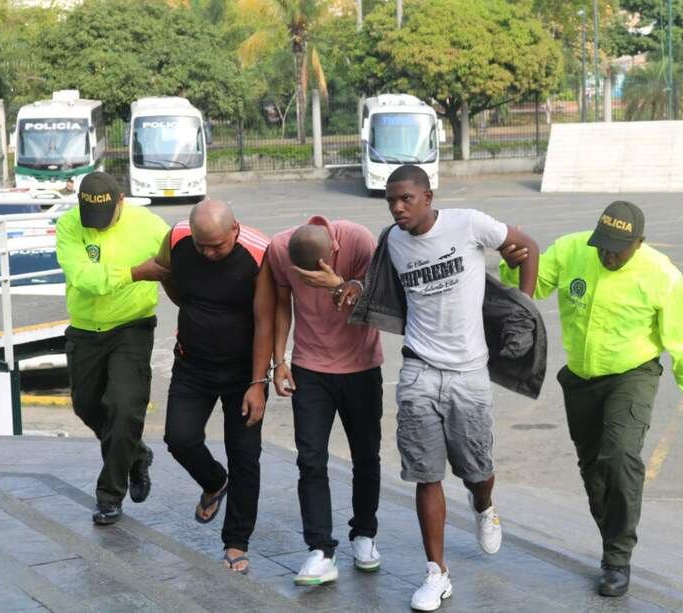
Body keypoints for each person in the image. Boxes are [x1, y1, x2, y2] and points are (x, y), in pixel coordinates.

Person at [500, 201, 683, 597]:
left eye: (617, 249)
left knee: (619, 458)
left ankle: (617, 557)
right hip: (581, 380)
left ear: (639, 242)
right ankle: (612, 538)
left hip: (632, 375)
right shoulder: (572, 249)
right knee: (594, 469)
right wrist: (513, 264)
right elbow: (535, 285)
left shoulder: (661, 275)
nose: (607, 255)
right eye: (603, 245)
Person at [366, 165, 540, 612]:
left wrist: (523, 309)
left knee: (476, 470)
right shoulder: (392, 240)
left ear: (427, 197)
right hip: (418, 370)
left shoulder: (470, 224)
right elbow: (375, 286)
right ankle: (436, 573)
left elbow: (528, 248)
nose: (397, 208)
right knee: (426, 474)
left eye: (405, 199)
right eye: (391, 201)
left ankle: (484, 506)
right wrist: (348, 288)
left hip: (469, 374)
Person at [157, 200, 275, 575]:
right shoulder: (177, 237)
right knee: (179, 438)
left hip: (243, 374)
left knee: (245, 456)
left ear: (235, 229)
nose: (208, 253)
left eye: (217, 246)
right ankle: (214, 481)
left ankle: (236, 542)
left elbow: (266, 321)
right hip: (192, 366)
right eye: (201, 245)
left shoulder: (260, 253)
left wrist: (258, 383)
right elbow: (164, 271)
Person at [267, 216, 384, 586]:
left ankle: (364, 534)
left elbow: (382, 299)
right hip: (310, 367)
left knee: (366, 456)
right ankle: (320, 550)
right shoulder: (279, 248)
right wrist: (279, 361)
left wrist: (338, 283)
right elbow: (281, 304)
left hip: (361, 366)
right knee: (310, 459)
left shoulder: (359, 240)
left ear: (332, 251)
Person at [56, 171, 168, 525]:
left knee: (122, 408)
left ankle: (109, 496)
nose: (98, 225)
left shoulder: (149, 225)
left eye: (105, 216)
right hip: (85, 330)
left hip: (131, 328)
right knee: (86, 406)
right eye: (92, 217)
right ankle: (135, 454)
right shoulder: (69, 225)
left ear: (121, 201)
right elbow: (84, 279)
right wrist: (135, 273)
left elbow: (180, 258)